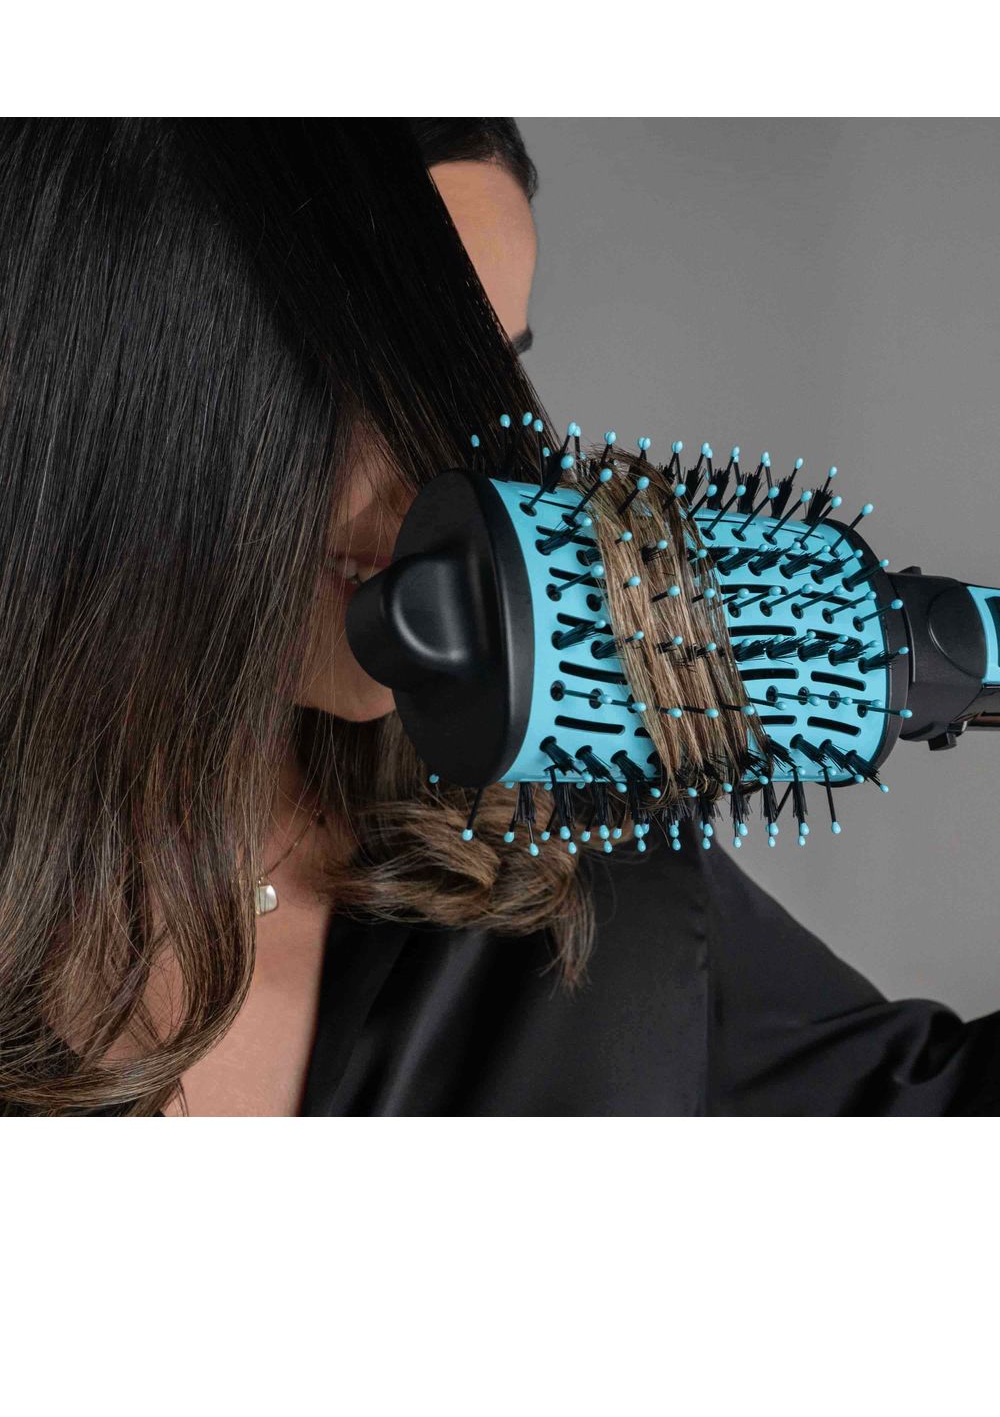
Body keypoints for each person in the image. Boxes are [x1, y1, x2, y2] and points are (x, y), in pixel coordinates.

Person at [1, 118, 997, 1116]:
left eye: (491, 376)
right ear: (111, 383)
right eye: (378, 376)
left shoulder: (573, 883)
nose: (461, 466)